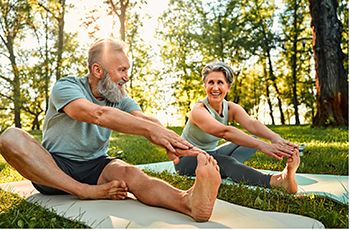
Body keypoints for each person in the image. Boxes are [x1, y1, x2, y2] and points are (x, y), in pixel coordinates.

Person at [0, 38, 222, 222]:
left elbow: (143, 118)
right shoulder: (66, 87)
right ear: (98, 70)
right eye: (122, 70)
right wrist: (148, 131)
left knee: (131, 173)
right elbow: (97, 115)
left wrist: (170, 139)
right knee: (10, 136)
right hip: (54, 167)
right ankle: (83, 191)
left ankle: (188, 202)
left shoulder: (118, 96)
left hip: (97, 166)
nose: (127, 76)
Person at [175, 61, 300, 194]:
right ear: (205, 86)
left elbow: (252, 124)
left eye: (220, 83)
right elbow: (225, 132)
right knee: (226, 161)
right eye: (211, 82)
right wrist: (263, 145)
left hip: (210, 154)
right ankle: (277, 181)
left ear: (228, 87)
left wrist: (275, 138)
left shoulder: (230, 107)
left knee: (249, 141)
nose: (215, 88)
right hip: (186, 159)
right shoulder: (198, 110)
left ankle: (226, 168)